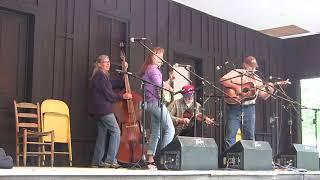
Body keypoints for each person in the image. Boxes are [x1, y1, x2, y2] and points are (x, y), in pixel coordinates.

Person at [220, 56, 274, 149]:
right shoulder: (237, 72)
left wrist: (270, 91)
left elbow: (263, 96)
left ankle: (249, 160)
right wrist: (236, 87)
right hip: (234, 107)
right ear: (244, 65)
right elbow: (223, 80)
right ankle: (230, 159)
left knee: (249, 136)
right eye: (251, 66)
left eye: (254, 67)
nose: (253, 69)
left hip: (249, 108)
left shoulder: (257, 79)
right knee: (230, 135)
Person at [89, 54, 132, 168]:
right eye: (104, 62)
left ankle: (97, 162)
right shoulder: (100, 76)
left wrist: (123, 71)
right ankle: (110, 160)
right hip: (104, 110)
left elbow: (116, 82)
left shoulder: (103, 76)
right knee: (116, 132)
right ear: (99, 64)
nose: (108, 64)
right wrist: (123, 96)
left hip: (98, 110)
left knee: (102, 135)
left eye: (108, 61)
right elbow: (109, 95)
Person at [140, 47, 175, 170]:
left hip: (150, 103)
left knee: (155, 133)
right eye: (158, 55)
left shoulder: (149, 69)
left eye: (162, 56)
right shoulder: (153, 69)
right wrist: (168, 86)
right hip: (156, 103)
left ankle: (150, 161)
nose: (161, 58)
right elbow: (159, 84)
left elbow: (159, 84)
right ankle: (164, 159)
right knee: (170, 129)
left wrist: (169, 81)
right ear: (152, 56)